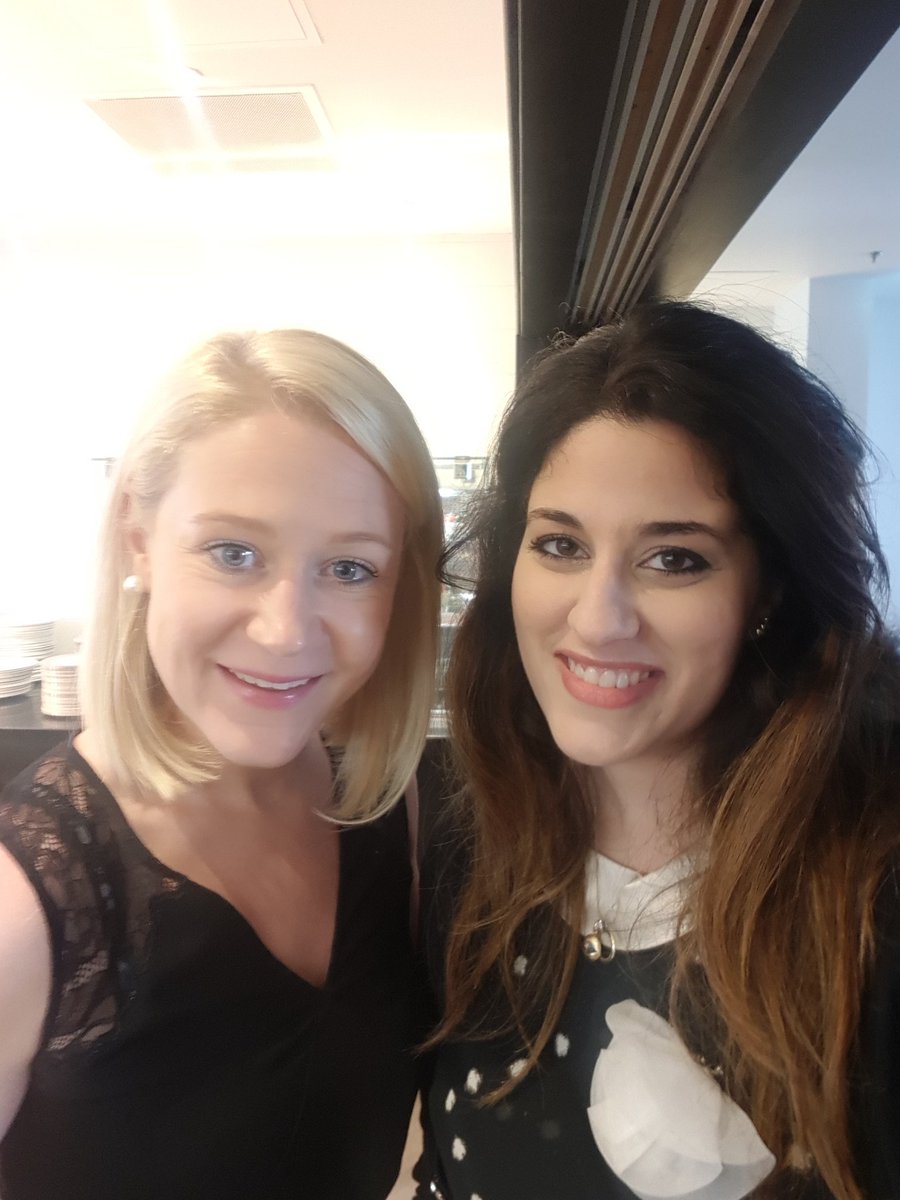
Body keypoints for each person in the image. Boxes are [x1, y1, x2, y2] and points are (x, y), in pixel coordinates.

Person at [415, 300, 900, 1200]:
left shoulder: (868, 892)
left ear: (769, 590)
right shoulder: (468, 846)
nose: (598, 618)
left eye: (674, 559)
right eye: (560, 544)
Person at [0, 329, 444, 1199]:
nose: (285, 629)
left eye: (350, 567)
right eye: (234, 553)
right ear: (138, 539)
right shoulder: (29, 905)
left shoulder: (392, 816)